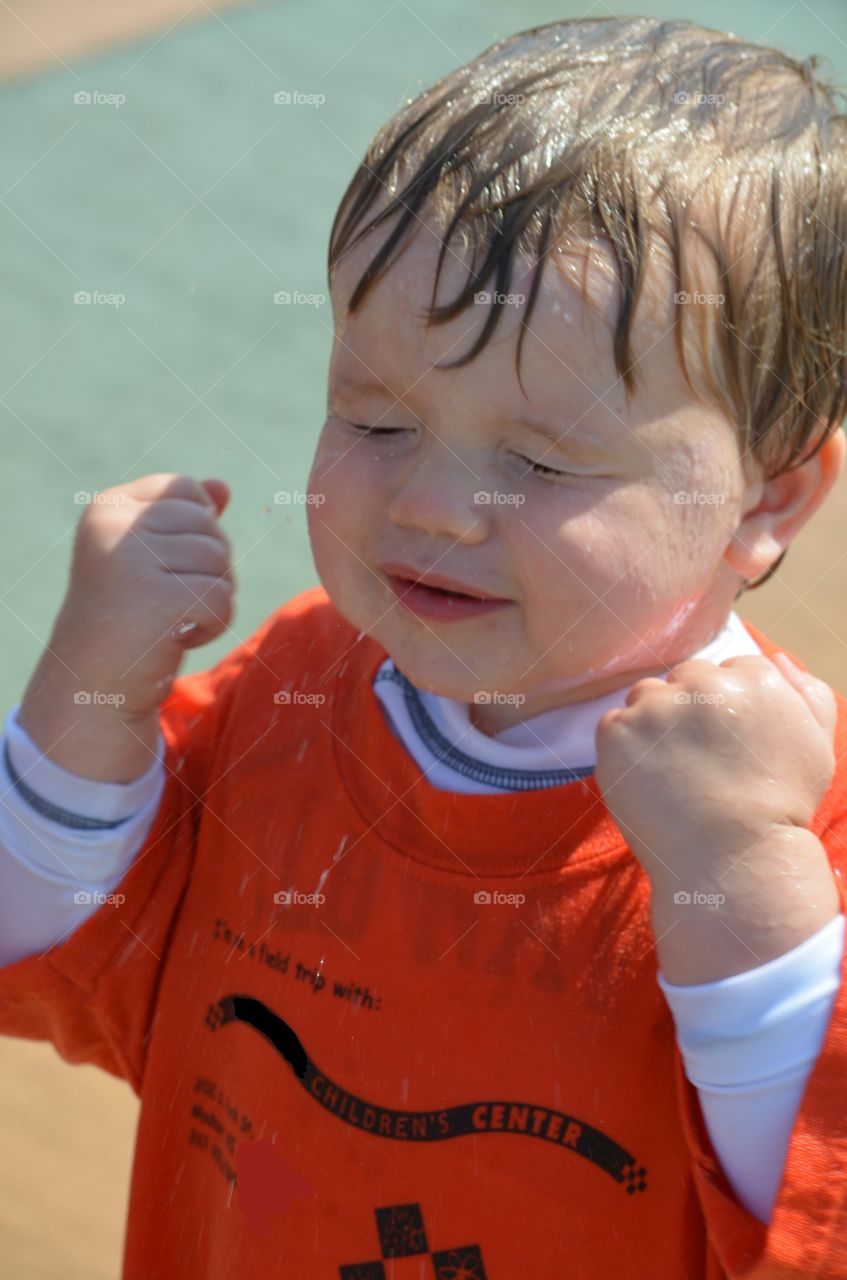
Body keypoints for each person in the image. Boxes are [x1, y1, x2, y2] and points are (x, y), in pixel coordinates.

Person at [2, 15, 847, 1278]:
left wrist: (743, 883)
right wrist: (94, 685)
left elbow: (806, 1221)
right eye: (374, 417)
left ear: (768, 496)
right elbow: (48, 958)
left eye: (543, 460)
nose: (432, 505)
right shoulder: (287, 688)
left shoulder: (798, 825)